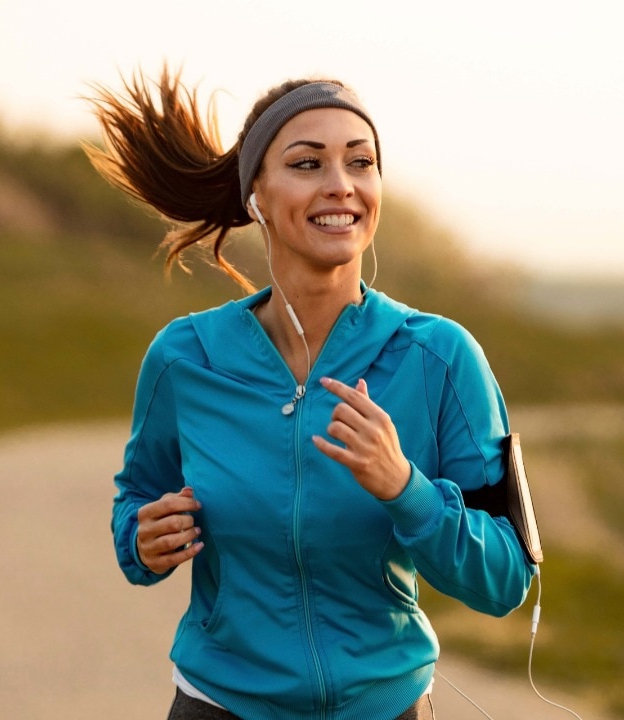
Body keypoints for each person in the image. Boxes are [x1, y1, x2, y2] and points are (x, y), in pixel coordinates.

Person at [87, 67, 535, 720]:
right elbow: (137, 503)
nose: (341, 185)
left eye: (361, 162)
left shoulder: (438, 357)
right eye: (307, 163)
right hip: (220, 706)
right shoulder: (185, 359)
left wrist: (404, 487)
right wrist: (141, 541)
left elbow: (506, 580)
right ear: (256, 197)